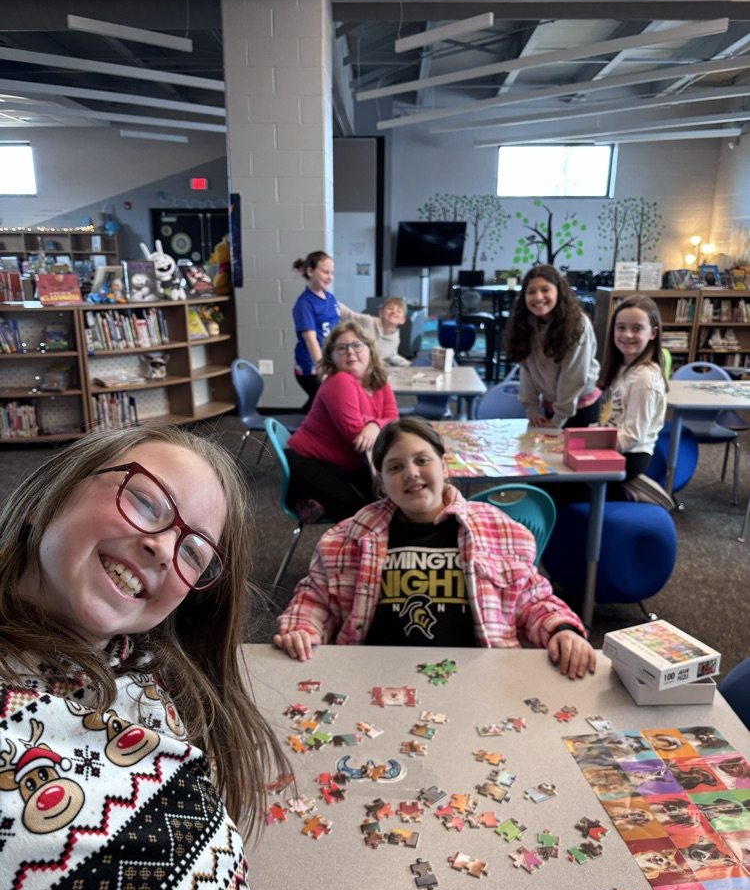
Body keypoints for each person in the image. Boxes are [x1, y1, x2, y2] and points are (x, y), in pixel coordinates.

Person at [0, 426, 295, 890]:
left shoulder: (149, 674)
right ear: (50, 493)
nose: (163, 547)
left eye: (194, 551)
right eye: (142, 500)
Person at [274, 416, 595, 679]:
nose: (411, 473)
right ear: (381, 481)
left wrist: (560, 630)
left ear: (444, 465)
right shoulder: (346, 539)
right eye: (395, 467)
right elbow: (316, 597)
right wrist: (303, 628)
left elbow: (531, 599)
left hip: (477, 680)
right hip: (370, 677)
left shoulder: (498, 531)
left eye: (422, 460)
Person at [285, 320, 399, 522]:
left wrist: (373, 425)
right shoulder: (340, 381)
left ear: (370, 349)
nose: (350, 352)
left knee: (381, 497)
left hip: (345, 462)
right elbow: (356, 434)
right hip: (308, 460)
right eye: (341, 348)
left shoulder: (379, 380)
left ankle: (310, 500)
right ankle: (303, 497)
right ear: (332, 357)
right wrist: (377, 423)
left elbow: (393, 418)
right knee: (357, 511)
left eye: (356, 345)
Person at [291, 251, 390, 410]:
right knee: (328, 402)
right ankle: (304, 428)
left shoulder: (330, 298)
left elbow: (348, 319)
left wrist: (380, 321)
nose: (330, 277)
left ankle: (307, 425)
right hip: (311, 367)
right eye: (325, 272)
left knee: (324, 403)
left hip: (330, 361)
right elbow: (311, 341)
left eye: (332, 273)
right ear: (310, 272)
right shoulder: (305, 304)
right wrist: (323, 370)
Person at [505, 264, 602, 428]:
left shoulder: (577, 325)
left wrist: (558, 419)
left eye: (545, 290)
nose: (538, 297)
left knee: (569, 453)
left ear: (558, 291)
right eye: (531, 292)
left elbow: (573, 376)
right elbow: (527, 370)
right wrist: (532, 409)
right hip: (552, 404)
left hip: (580, 406)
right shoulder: (526, 324)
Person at [599, 294, 670, 502]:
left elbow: (632, 435)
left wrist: (589, 448)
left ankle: (629, 494)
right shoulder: (622, 367)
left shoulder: (645, 378)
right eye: (621, 327)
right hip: (612, 447)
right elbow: (611, 416)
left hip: (629, 456)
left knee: (561, 489)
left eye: (637, 328)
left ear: (653, 333)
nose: (627, 334)